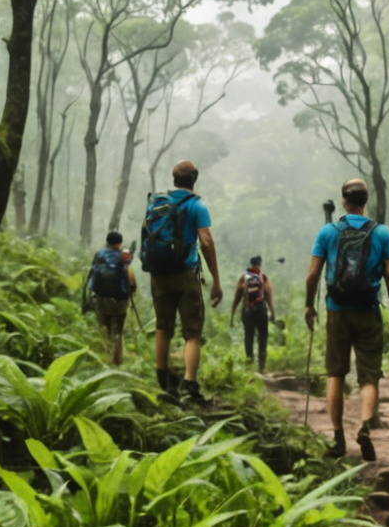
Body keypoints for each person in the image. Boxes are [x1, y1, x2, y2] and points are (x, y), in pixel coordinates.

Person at [303, 178, 389, 460]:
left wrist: (309, 306)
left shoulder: (328, 232)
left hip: (337, 311)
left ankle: (337, 438)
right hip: (368, 311)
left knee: (335, 373)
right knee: (369, 376)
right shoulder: (381, 233)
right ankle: (365, 426)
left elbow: (313, 275)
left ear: (344, 201)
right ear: (365, 200)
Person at [140, 159, 222, 405]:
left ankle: (164, 381)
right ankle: (189, 384)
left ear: (174, 179)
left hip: (159, 274)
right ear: (194, 180)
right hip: (186, 274)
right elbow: (206, 241)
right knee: (192, 334)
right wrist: (216, 279)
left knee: (164, 327)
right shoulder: (196, 205)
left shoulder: (156, 202)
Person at [83, 230, 136, 365]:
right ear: (119, 243)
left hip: (101, 297)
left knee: (104, 327)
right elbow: (130, 279)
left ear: (107, 242)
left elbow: (91, 276)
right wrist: (132, 290)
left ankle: (104, 359)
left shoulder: (99, 255)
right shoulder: (123, 256)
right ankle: (117, 361)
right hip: (120, 299)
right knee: (117, 330)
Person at [232, 255, 275, 373]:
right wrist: (272, 313)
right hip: (261, 311)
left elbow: (237, 296)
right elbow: (269, 295)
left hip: (247, 311)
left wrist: (233, 313)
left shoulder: (244, 278)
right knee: (263, 338)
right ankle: (261, 368)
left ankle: (249, 366)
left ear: (251, 264)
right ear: (259, 265)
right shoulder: (263, 278)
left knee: (248, 337)